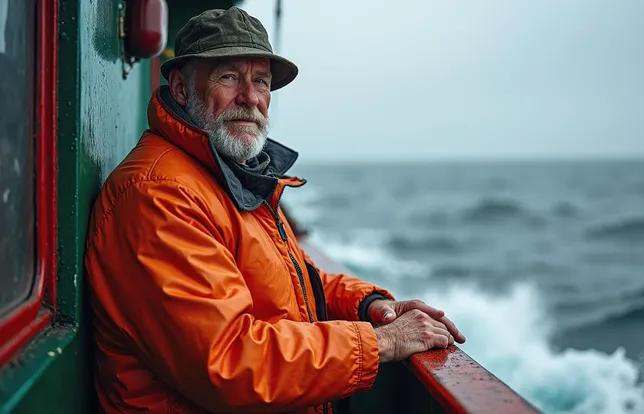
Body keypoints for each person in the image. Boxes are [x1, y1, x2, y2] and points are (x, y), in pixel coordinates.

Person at [84, 7, 465, 414]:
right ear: (180, 88)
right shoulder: (159, 196)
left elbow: (295, 276)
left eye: (261, 81)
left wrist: (371, 306)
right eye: (229, 77)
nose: (250, 98)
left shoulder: (225, 174)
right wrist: (384, 341)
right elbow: (229, 362)